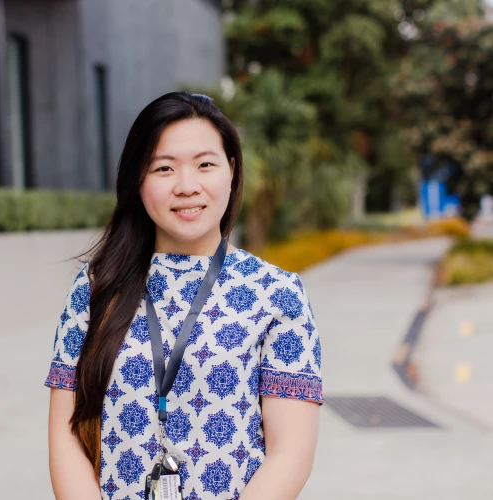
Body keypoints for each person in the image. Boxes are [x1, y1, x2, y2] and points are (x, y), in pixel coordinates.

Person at [45, 92, 322, 500]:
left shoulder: (277, 294)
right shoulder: (95, 288)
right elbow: (65, 435)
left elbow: (290, 454)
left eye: (205, 165)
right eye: (163, 168)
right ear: (138, 181)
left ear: (230, 171)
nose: (187, 186)